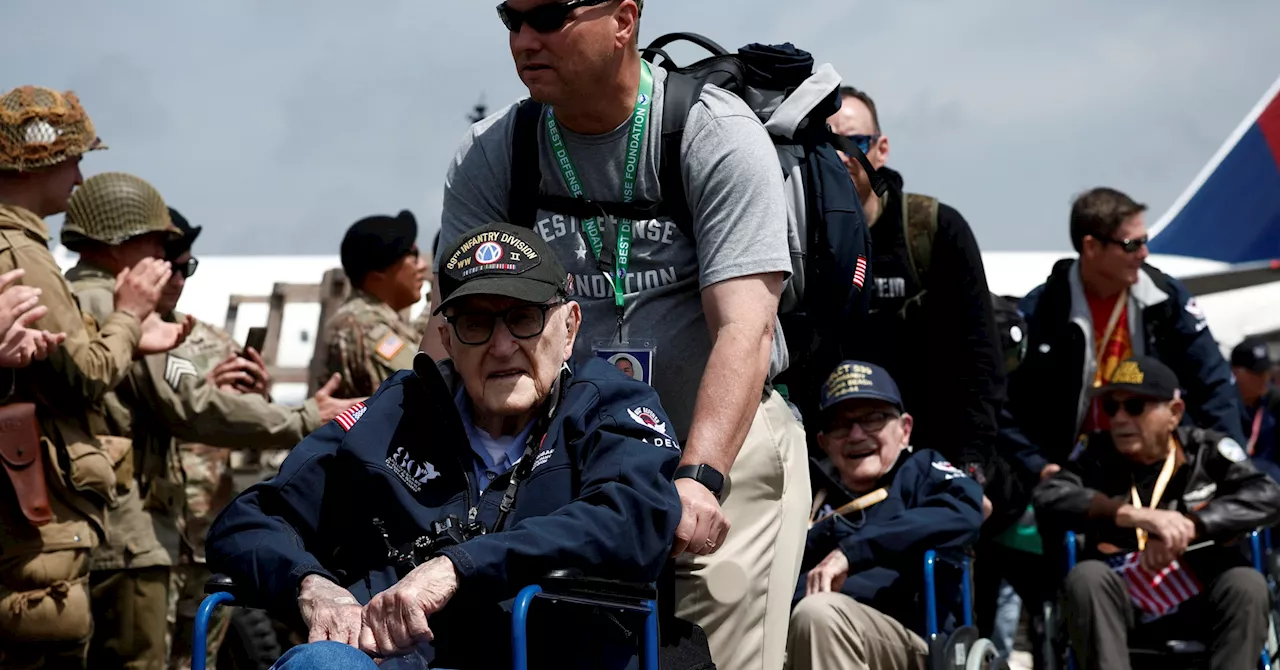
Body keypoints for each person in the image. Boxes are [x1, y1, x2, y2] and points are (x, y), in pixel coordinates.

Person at [426, 2, 809, 666]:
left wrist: (698, 478)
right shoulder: (494, 153)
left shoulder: (713, 134)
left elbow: (744, 332)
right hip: (573, 458)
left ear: (624, 20)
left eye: (547, 15)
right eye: (510, 19)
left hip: (720, 442)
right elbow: (450, 334)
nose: (524, 39)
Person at [208, 223, 685, 668]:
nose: (501, 346)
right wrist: (310, 584)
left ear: (569, 327)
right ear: (447, 340)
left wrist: (459, 567)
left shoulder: (610, 406)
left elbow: (633, 518)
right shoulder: (392, 414)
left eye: (524, 318)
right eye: (476, 324)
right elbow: (249, 519)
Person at [59, 172, 363, 669]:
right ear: (122, 239)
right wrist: (305, 416)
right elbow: (191, 404)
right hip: (131, 533)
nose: (166, 264)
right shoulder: (122, 309)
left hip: (88, 525)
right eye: (159, 246)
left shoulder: (66, 297)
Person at [0, 85, 190, 670]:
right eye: (76, 158)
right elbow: (84, 372)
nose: (79, 178)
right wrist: (129, 318)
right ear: (46, 158)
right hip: (63, 526)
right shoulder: (23, 251)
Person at [1033, 355, 1280, 670]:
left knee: (1247, 583)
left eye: (1135, 407)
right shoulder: (1095, 453)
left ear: (1174, 413)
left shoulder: (1205, 451)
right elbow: (1048, 495)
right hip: (1121, 606)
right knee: (1086, 578)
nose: (1120, 418)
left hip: (1201, 595)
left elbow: (1269, 494)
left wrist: (1193, 525)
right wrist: (1128, 514)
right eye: (1112, 407)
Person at [1001, 187, 1244, 491]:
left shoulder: (1165, 300)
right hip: (1075, 473)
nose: (1144, 253)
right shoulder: (1043, 310)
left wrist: (1228, 465)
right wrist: (1037, 466)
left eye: (1145, 241)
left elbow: (1213, 384)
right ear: (1091, 247)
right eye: (1131, 244)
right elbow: (1003, 400)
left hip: (1162, 465)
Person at [827, 86, 1004, 488]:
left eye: (853, 142)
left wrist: (971, 467)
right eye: (826, 144)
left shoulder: (934, 229)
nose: (840, 157)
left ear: (881, 148)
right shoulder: (797, 238)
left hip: (935, 453)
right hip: (838, 460)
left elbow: (980, 362)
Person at [787, 361, 984, 670]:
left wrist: (850, 553)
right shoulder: (806, 492)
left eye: (873, 418)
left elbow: (966, 511)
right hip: (798, 627)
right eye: (839, 423)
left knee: (818, 615)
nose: (855, 434)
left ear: (905, 430)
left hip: (905, 638)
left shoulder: (921, 471)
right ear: (823, 442)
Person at [320, 210, 428, 398]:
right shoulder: (365, 327)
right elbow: (427, 384)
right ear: (378, 276)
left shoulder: (374, 318)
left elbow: (416, 343)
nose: (422, 265)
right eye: (413, 255)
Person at [1230, 338, 1280, 482]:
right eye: (1256, 374)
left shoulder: (1275, 402)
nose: (1265, 378)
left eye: (1266, 371)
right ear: (1236, 373)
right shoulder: (1222, 407)